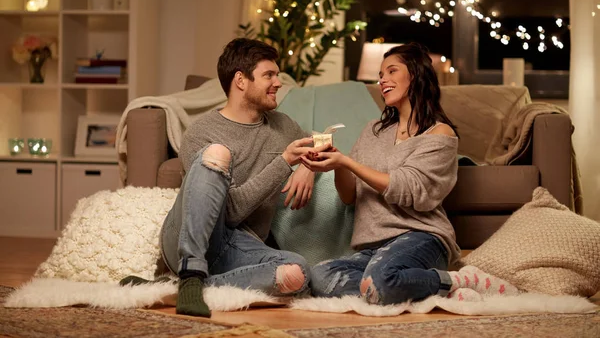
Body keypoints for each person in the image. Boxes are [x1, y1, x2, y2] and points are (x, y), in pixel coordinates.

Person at [121, 38, 328, 317]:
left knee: (297, 273)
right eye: (269, 75)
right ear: (241, 80)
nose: (278, 82)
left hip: (241, 247)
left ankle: (174, 288)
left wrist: (308, 166)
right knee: (217, 154)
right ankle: (190, 271)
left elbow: (322, 138)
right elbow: (229, 212)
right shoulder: (202, 132)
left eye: (277, 75)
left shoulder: (282, 125)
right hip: (190, 237)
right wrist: (285, 162)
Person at [301, 42, 517, 305]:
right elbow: (349, 196)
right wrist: (338, 166)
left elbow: (408, 189)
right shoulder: (373, 130)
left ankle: (457, 281)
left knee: (381, 280)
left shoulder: (440, 135)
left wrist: (348, 161)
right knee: (321, 277)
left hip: (420, 237)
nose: (383, 80)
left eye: (392, 71)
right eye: (381, 75)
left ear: (415, 75)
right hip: (373, 247)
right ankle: (415, 289)